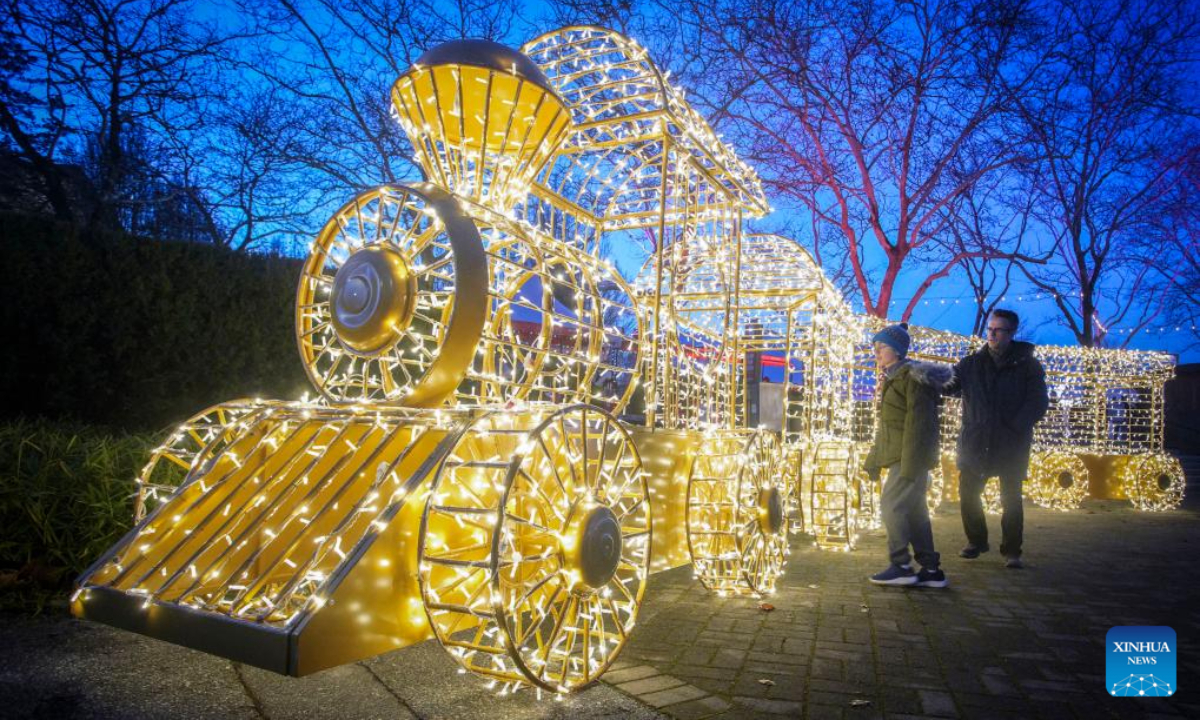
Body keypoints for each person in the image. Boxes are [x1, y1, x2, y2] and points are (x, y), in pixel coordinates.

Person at [943, 309, 1049, 569]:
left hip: (1010, 444)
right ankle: (976, 541)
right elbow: (948, 384)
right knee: (968, 494)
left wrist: (1015, 427)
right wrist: (921, 375)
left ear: (1011, 333)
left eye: (998, 329)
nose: (990, 333)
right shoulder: (971, 364)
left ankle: (1012, 551)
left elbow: (1038, 402)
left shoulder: (1027, 365)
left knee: (1010, 499)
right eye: (989, 328)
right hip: (975, 441)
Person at [864, 323, 951, 588]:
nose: (876, 353)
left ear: (899, 351)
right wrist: (873, 460)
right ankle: (931, 570)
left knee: (891, 506)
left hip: (908, 460)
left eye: (882, 347)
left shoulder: (912, 379)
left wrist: (912, 466)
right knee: (914, 513)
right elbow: (888, 427)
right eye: (875, 347)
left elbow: (919, 425)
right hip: (903, 458)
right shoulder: (894, 379)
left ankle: (901, 565)